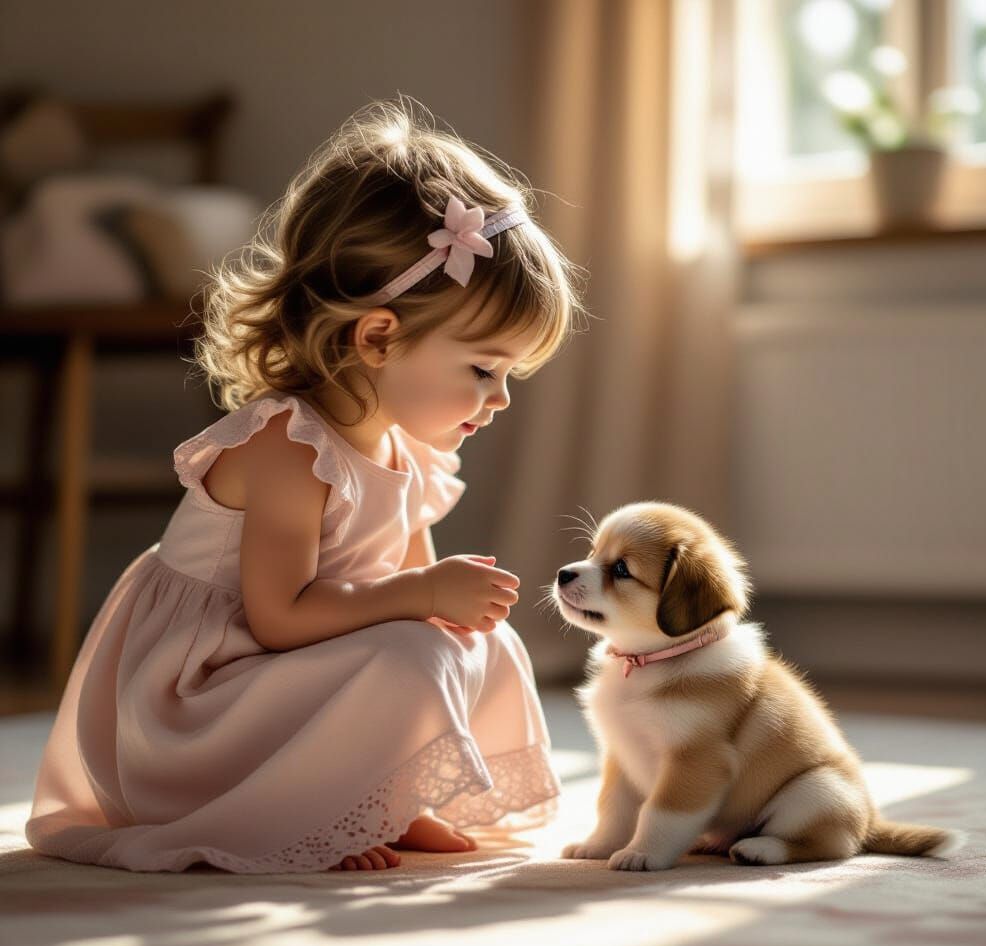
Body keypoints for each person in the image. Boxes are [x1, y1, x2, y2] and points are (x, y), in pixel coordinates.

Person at [24, 96, 588, 873]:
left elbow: (407, 592)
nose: (499, 399)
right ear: (379, 337)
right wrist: (423, 595)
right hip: (206, 694)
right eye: (484, 369)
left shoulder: (406, 452)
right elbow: (279, 618)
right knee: (412, 653)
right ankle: (304, 809)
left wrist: (435, 601)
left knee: (473, 638)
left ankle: (388, 794)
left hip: (291, 669)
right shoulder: (288, 449)